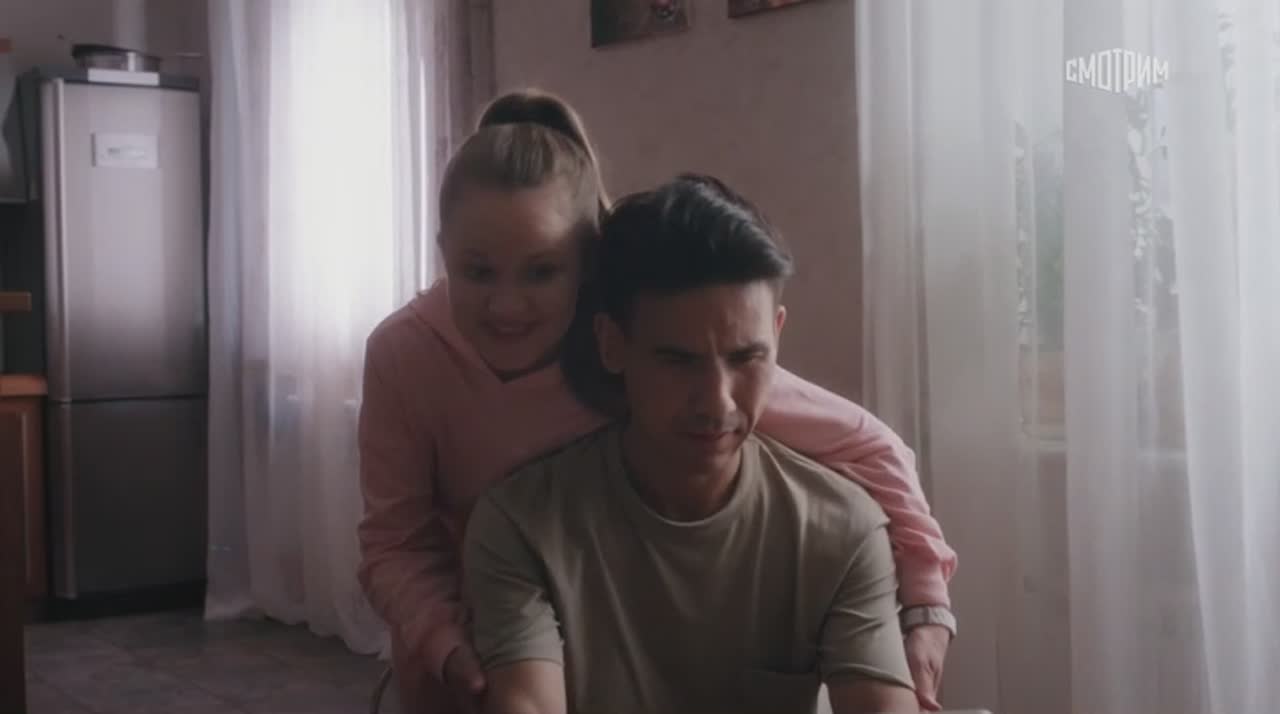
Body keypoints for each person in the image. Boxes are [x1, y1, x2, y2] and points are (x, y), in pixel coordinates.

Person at [356, 90, 956, 714]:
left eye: (541, 272)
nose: (507, 306)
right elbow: (394, 540)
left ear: (586, 271)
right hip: (472, 640)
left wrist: (926, 597)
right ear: (443, 251)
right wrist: (448, 643)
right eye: (478, 271)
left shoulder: (640, 347)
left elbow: (867, 446)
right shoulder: (405, 355)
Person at [463, 174, 919, 714]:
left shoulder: (841, 532)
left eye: (746, 358)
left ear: (776, 335)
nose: (716, 403)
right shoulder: (522, 527)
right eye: (678, 361)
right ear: (612, 344)